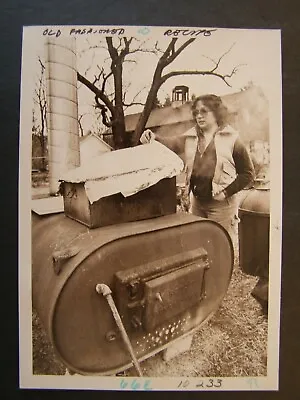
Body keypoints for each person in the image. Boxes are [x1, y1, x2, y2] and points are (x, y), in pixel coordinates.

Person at [140, 94, 255, 239]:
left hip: (221, 206)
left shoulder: (232, 138)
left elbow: (248, 173)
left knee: (220, 246)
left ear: (216, 112)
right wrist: (154, 137)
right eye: (196, 113)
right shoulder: (191, 136)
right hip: (197, 204)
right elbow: (172, 144)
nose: (199, 116)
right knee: (199, 244)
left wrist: (225, 193)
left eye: (204, 111)